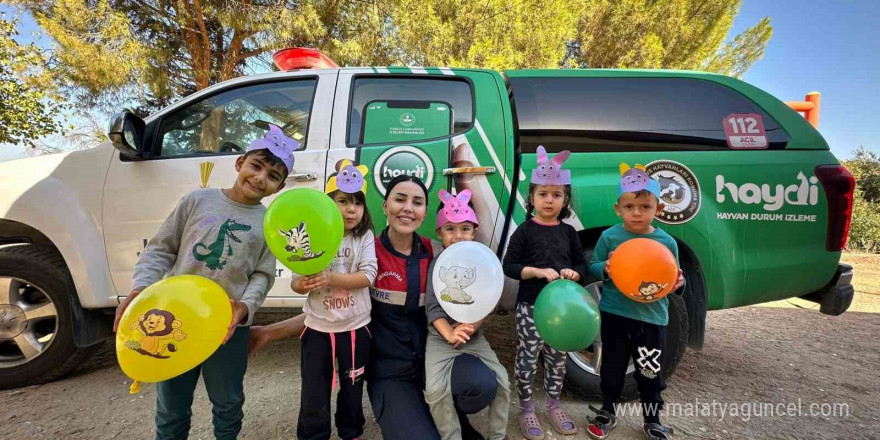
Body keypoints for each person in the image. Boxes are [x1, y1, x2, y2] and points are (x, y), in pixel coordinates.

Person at [113, 124, 294, 440]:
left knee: (228, 403)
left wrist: (245, 307)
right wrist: (140, 291)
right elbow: (160, 249)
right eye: (256, 166)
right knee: (171, 406)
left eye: (273, 176)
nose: (260, 178)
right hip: (175, 318)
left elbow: (262, 274)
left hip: (227, 328)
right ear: (240, 164)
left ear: (279, 187)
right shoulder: (197, 201)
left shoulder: (269, 224)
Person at [585, 163, 684, 440]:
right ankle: (607, 411)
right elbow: (592, 267)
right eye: (629, 207)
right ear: (618, 209)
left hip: (651, 318)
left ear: (658, 209)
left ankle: (652, 419)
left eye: (644, 206)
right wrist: (605, 267)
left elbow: (673, 280)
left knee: (650, 373)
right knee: (612, 369)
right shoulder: (610, 237)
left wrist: (679, 282)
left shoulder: (667, 242)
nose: (636, 213)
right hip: (615, 314)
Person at [502, 146, 586, 440]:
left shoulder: (569, 233)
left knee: (557, 358)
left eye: (557, 195)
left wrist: (575, 273)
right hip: (530, 307)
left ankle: (553, 403)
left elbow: (581, 265)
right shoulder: (524, 231)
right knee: (528, 356)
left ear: (565, 200)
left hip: (562, 312)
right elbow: (509, 266)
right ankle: (526, 407)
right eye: (543, 194)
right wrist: (536, 272)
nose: (549, 200)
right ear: (532, 197)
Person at [290, 160, 377, 440]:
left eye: (357, 203)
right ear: (327, 203)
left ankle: (351, 432)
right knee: (314, 390)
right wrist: (301, 284)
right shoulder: (311, 236)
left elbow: (368, 276)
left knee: (352, 388)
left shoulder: (364, 236)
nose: (351, 209)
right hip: (317, 329)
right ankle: (313, 435)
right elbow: (296, 280)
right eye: (342, 201)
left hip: (355, 328)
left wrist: (330, 278)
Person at [424, 189, 510, 440]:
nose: (458, 235)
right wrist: (449, 332)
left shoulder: (482, 263)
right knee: (435, 389)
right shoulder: (438, 264)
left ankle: (497, 436)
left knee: (503, 381)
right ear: (439, 233)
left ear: (474, 231)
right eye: (450, 229)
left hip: (473, 335)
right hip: (439, 337)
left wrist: (470, 326)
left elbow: (489, 301)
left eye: (464, 229)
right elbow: (433, 307)